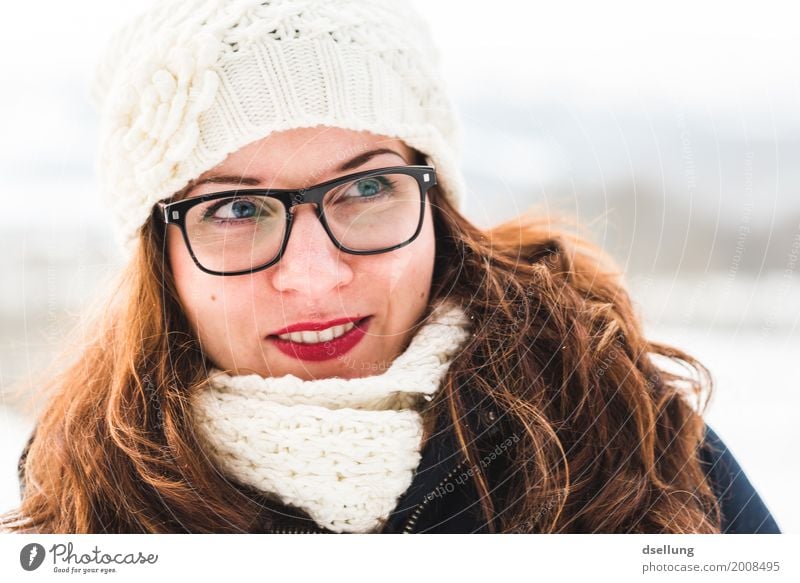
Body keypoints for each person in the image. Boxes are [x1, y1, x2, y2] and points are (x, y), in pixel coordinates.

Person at [1, 0, 780, 534]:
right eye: (235, 209)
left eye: (367, 187)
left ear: (434, 203)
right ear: (159, 254)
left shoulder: (623, 436)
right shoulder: (83, 504)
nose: (313, 275)